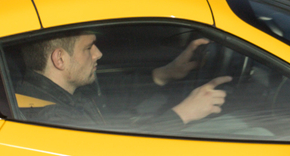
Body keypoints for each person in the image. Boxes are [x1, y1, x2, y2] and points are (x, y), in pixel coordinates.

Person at [15, 29, 231, 132]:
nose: (98, 54)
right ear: (60, 59)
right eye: (88, 48)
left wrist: (165, 74)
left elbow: (108, 94)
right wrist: (184, 114)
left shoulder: (52, 92)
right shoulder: (52, 119)